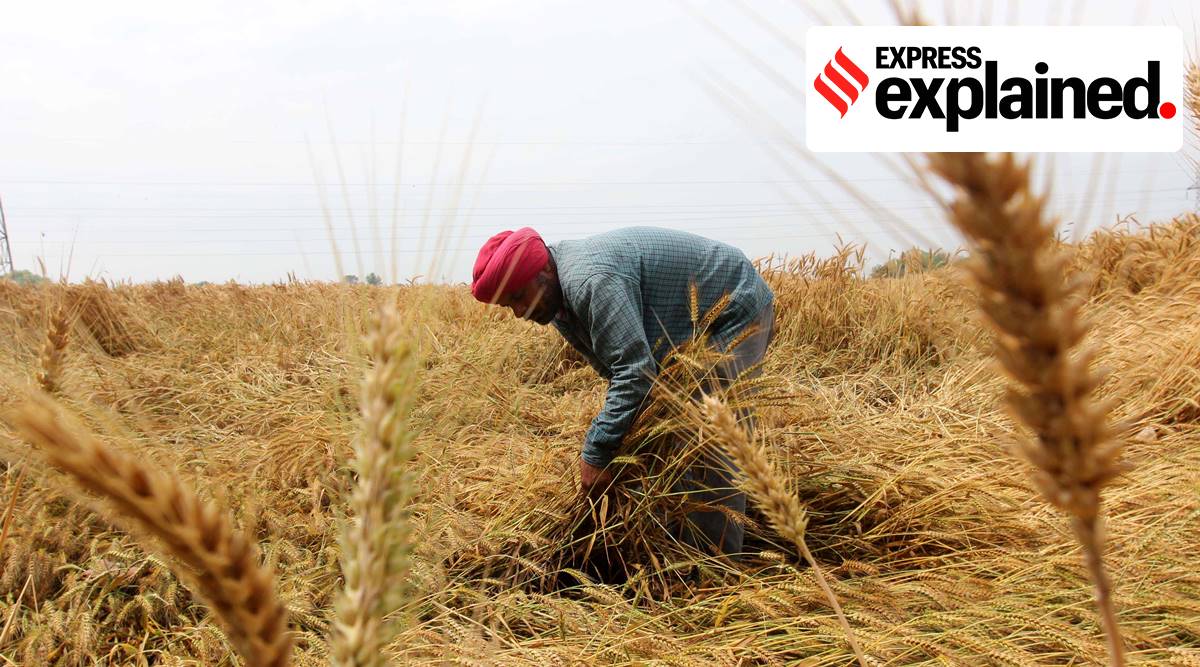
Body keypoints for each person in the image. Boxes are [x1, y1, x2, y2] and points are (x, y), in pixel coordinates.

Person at [470, 226, 775, 556]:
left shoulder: (590, 281)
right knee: (666, 437)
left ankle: (717, 571)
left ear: (543, 268)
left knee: (709, 441)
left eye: (517, 296)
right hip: (686, 328)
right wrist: (623, 438)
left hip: (731, 310)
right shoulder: (555, 300)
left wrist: (597, 450)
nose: (518, 312)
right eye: (508, 306)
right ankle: (681, 543)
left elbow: (635, 372)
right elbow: (615, 367)